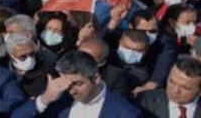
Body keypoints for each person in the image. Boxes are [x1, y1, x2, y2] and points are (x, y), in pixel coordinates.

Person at [12, 50, 141, 118]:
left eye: (77, 84)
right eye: (66, 83)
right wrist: (45, 99)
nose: (71, 91)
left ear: (96, 78)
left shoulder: (126, 114)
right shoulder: (58, 100)